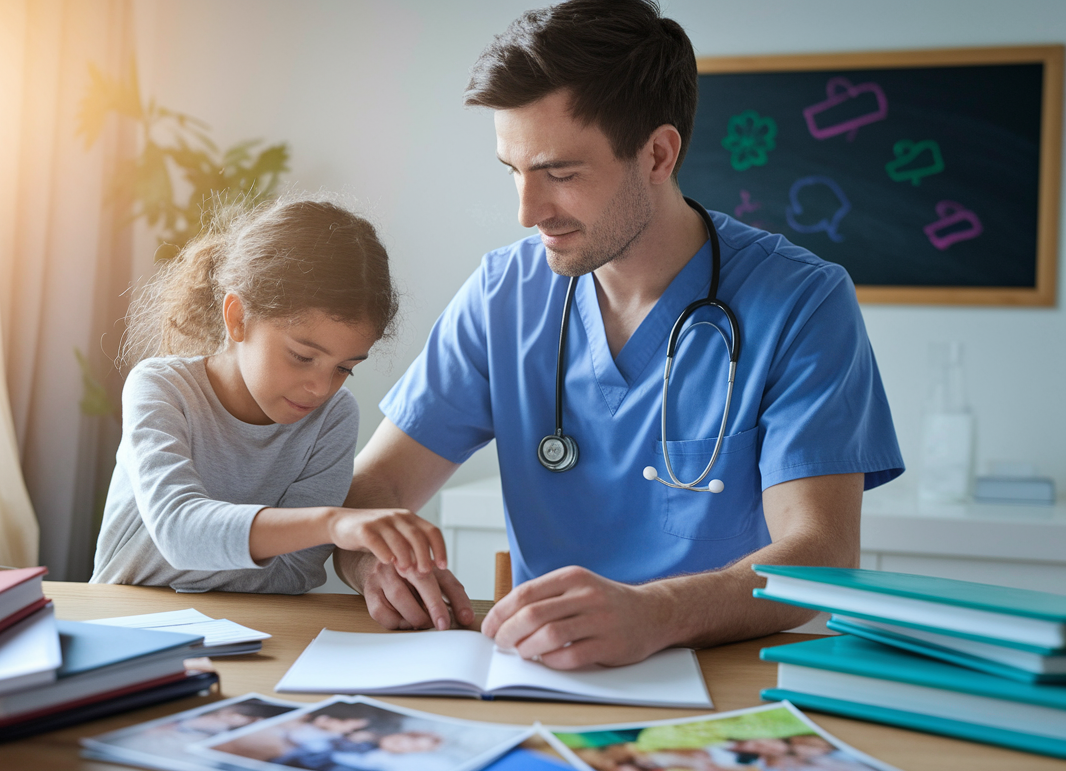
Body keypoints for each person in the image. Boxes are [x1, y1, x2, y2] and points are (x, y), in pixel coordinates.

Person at [335, 0, 903, 666]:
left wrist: (656, 614)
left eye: (561, 174)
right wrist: (373, 566)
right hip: (541, 677)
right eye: (513, 171)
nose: (527, 211)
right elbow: (372, 491)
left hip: (721, 684)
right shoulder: (502, 296)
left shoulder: (802, 301)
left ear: (658, 154)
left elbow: (822, 556)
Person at [91, 198, 447, 594]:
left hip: (256, 632)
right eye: (302, 356)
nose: (321, 388)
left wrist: (228, 548)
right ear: (238, 318)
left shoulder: (333, 417)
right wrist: (331, 523)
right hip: (126, 621)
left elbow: (296, 573)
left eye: (344, 368)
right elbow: (179, 532)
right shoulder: (162, 389)